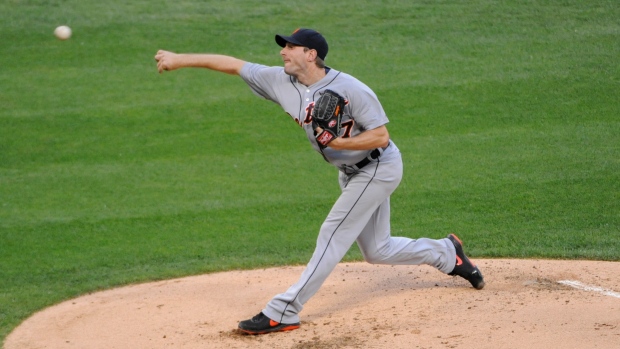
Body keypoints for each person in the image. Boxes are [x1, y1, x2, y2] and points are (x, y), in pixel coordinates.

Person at [154, 28, 485, 335]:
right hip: (351, 173)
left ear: (310, 54)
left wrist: (339, 144)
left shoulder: (352, 88)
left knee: (333, 232)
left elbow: (381, 136)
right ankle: (446, 253)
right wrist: (178, 60)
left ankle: (284, 310)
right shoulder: (279, 80)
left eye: (290, 47)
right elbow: (233, 65)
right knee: (377, 249)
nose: (283, 52)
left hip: (378, 167)